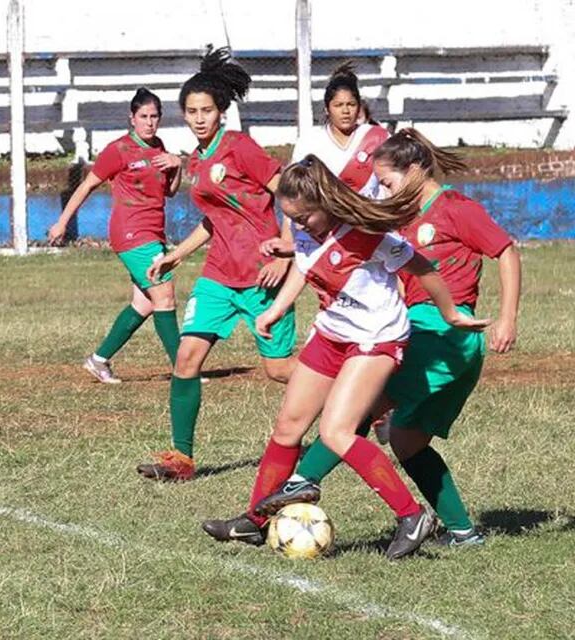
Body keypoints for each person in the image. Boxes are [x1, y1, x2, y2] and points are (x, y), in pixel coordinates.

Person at [201, 155, 489, 558]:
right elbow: (304, 266)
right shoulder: (303, 229)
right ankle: (255, 520)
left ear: (325, 204)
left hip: (375, 339)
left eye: (304, 218)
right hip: (332, 333)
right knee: (288, 426)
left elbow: (423, 266)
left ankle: (411, 516)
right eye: (290, 218)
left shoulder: (364, 233)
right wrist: (277, 308)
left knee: (338, 431)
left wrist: (451, 313)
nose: (297, 226)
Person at [254, 129, 521, 548]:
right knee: (405, 441)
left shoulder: (455, 208)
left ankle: (301, 481)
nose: (382, 189)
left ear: (415, 171)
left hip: (443, 335)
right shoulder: (400, 217)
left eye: (388, 182)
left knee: (350, 412)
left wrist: (507, 318)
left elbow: (506, 250)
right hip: (420, 328)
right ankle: (464, 533)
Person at [135, 47, 297, 482]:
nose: (199, 118)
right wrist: (177, 253)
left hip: (263, 273)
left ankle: (366, 399)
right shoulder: (198, 159)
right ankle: (181, 460)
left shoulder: (241, 148)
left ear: (222, 112)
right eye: (191, 111)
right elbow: (215, 219)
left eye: (206, 110)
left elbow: (291, 193)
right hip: (219, 277)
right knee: (186, 359)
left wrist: (285, 248)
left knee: (280, 370)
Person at [48, 88, 183, 384]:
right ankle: (184, 370)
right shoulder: (118, 150)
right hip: (131, 232)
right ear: (132, 118)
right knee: (165, 296)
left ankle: (98, 360)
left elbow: (169, 192)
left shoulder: (159, 147)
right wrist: (62, 222)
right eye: (143, 117)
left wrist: (177, 166)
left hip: (153, 231)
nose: (149, 123)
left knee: (145, 303)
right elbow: (85, 186)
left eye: (154, 117)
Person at [290, 63, 389, 199]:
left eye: (351, 105)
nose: (346, 111)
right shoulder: (309, 142)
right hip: (326, 219)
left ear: (359, 106)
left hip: (371, 218)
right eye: (338, 105)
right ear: (327, 108)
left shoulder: (378, 137)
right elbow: (295, 190)